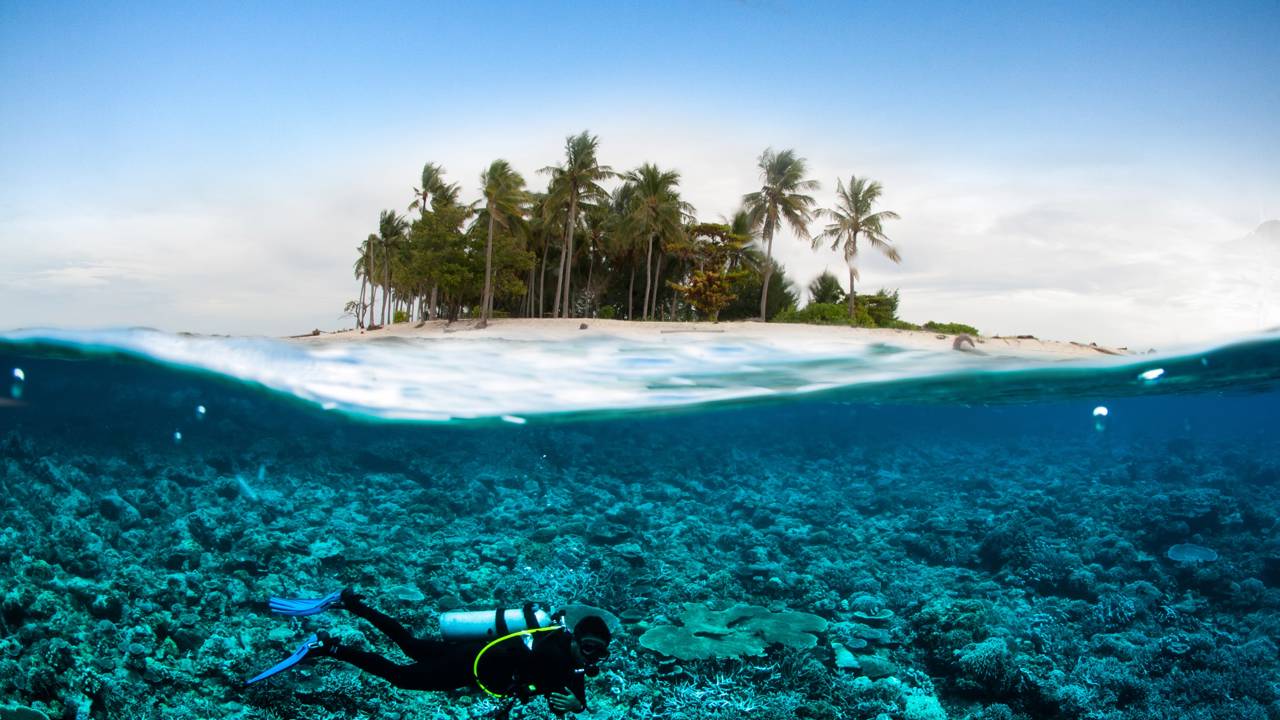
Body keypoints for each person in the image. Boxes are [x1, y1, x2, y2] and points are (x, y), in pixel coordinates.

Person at [250, 588, 611, 716]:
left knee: (409, 644)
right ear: (575, 640)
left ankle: (350, 603)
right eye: (589, 648)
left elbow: (572, 683)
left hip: (473, 649)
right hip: (468, 666)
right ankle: (328, 647)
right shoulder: (558, 659)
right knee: (400, 677)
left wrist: (578, 702)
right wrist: (577, 705)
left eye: (600, 653)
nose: (592, 657)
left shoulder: (562, 647)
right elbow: (558, 691)